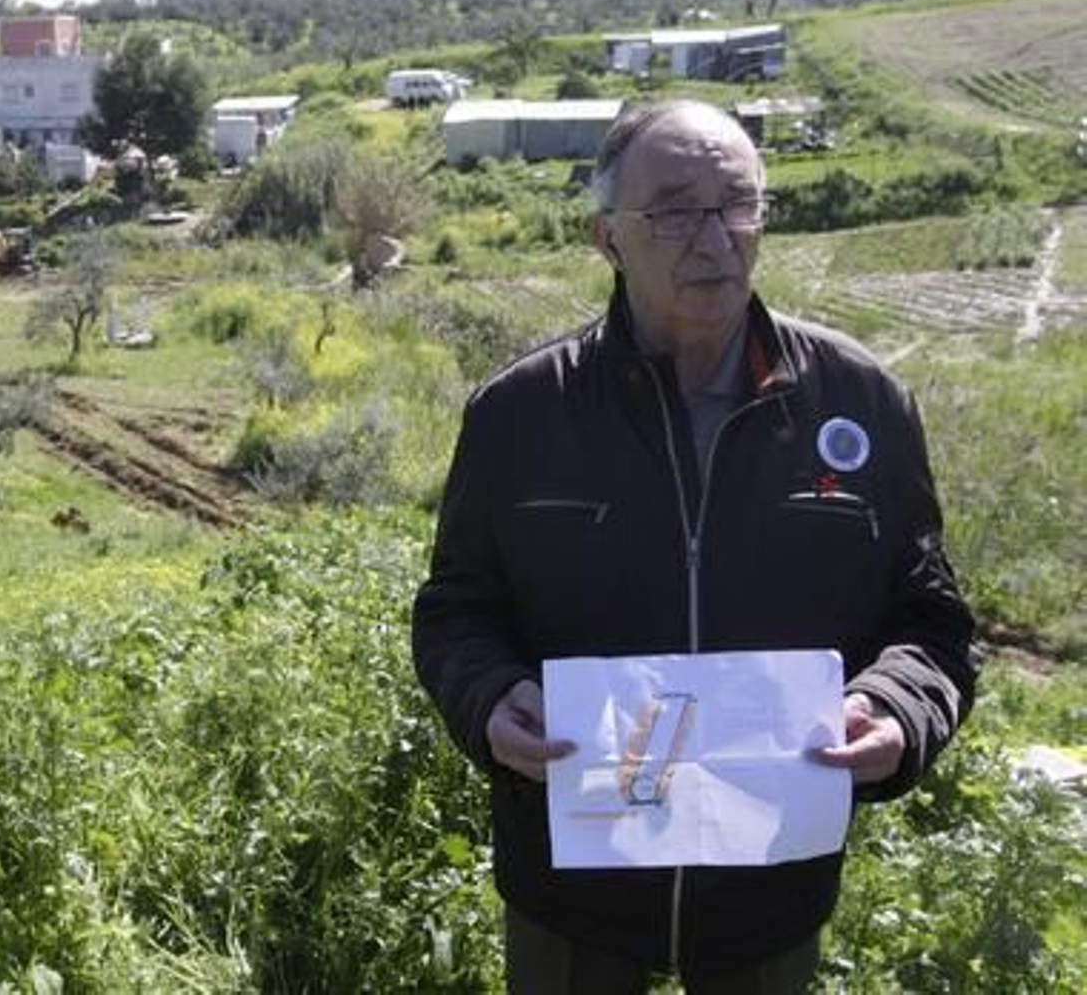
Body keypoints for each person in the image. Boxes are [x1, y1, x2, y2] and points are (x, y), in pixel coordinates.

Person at [411, 99, 977, 993]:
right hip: (573, 893)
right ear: (607, 235)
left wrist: (898, 709)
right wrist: (489, 698)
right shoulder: (520, 415)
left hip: (770, 891)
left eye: (737, 204)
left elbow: (932, 626)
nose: (713, 238)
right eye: (675, 210)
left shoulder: (861, 403)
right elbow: (456, 613)